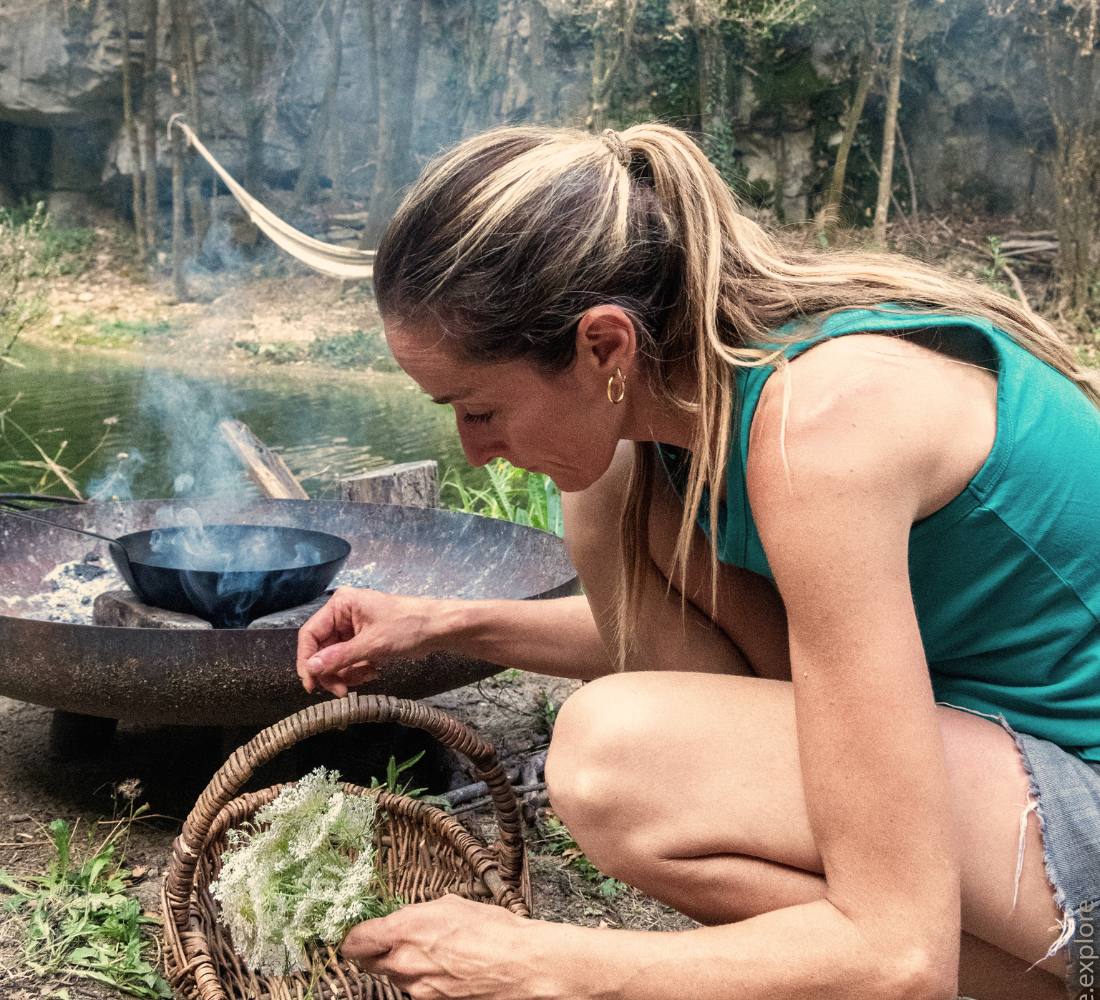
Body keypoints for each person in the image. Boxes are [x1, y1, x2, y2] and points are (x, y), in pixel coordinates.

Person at [295, 122, 1100, 1000]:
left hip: (1078, 795)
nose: (473, 449)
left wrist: (539, 964)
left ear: (605, 346)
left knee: (617, 758)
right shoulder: (683, 432)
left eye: (478, 409)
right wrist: (443, 623)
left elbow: (901, 958)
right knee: (609, 530)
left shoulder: (821, 428)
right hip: (994, 764)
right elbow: (801, 663)